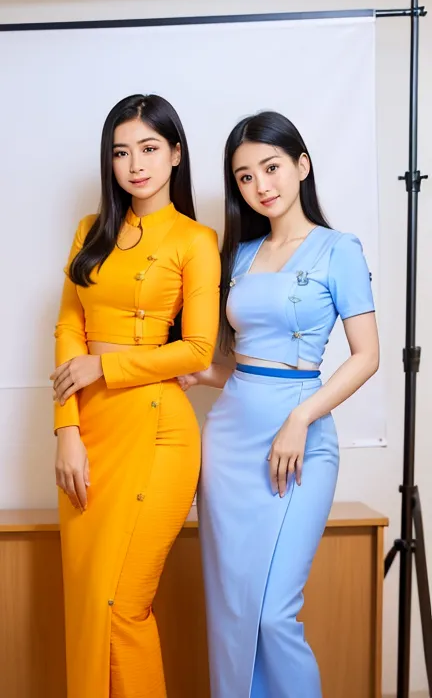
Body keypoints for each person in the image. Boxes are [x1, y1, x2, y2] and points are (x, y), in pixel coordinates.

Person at [178, 111, 379, 698]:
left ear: (301, 166)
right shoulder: (237, 256)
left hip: (300, 439)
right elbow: (242, 363)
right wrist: (192, 372)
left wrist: (300, 417)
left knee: (273, 615)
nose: (260, 185)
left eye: (270, 167)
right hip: (231, 440)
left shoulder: (339, 249)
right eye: (243, 176)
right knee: (234, 615)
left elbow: (365, 356)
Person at [50, 93, 221, 698]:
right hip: (89, 436)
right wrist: (66, 432)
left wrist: (106, 367)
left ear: (176, 154)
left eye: (149, 148)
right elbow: (69, 329)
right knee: (92, 602)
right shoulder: (87, 233)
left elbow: (198, 350)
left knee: (125, 604)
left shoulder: (196, 240)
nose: (135, 164)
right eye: (121, 152)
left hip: (158, 435)